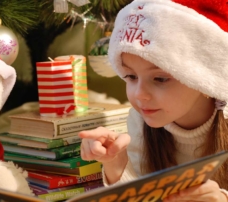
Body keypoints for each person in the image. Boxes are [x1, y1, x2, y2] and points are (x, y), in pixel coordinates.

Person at [79, 0, 228, 201]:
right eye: (130, 77)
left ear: (205, 78)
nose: (140, 94)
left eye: (160, 79)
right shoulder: (140, 121)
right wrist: (116, 165)